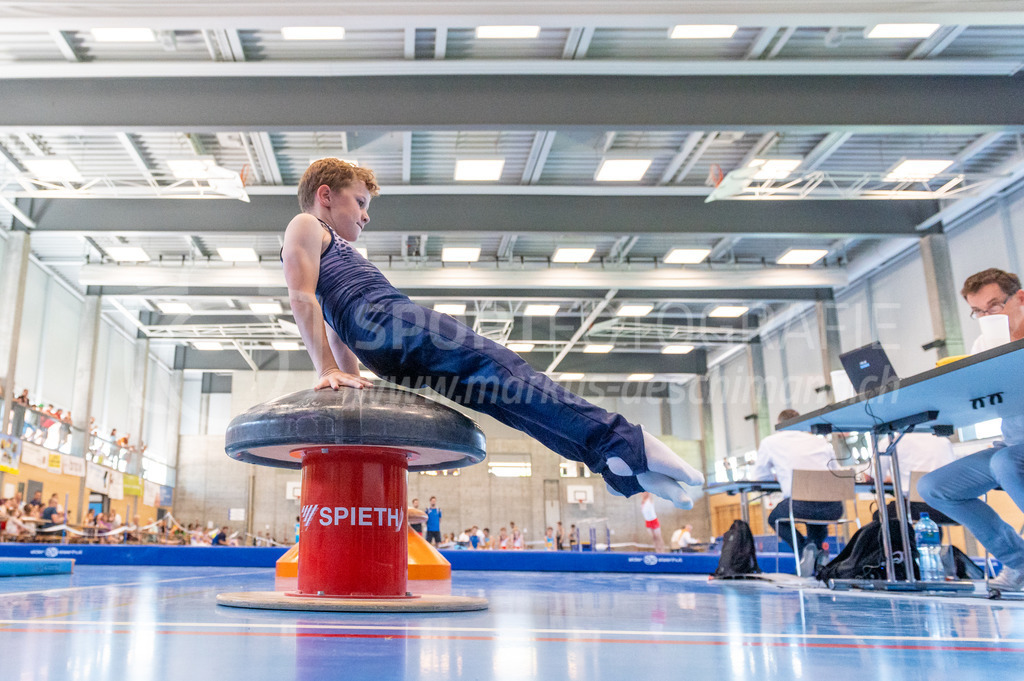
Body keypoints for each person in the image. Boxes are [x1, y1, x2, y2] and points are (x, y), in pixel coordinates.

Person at [280, 159, 703, 508]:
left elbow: (335, 327)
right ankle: (626, 442)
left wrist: (348, 378)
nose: (366, 214)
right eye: (360, 201)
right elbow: (301, 299)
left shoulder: (336, 252)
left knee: (504, 398)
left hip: (379, 342)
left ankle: (610, 463)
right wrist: (327, 370)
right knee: (501, 368)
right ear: (325, 195)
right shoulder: (306, 224)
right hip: (388, 320)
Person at [919, 267, 1024, 591]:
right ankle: (1019, 562)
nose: (986, 316)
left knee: (1004, 463)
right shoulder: (986, 342)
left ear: (1020, 298)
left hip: (1010, 455)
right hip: (1013, 444)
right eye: (977, 311)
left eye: (993, 306)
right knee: (934, 487)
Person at [750, 408, 840, 572]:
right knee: (815, 513)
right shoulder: (820, 441)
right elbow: (837, 472)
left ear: (778, 425)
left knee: (775, 518)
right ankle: (815, 553)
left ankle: (803, 551)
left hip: (800, 503)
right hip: (833, 507)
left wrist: (777, 477)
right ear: (803, 423)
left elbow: (759, 476)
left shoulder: (771, 442)